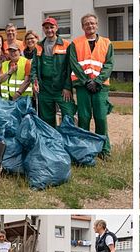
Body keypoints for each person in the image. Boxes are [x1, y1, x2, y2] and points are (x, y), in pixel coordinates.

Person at [69, 13, 114, 156]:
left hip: (100, 87)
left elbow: (109, 64)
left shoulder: (107, 43)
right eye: (87, 23)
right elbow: (74, 64)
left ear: (97, 25)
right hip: (83, 87)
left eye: (92, 23)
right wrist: (86, 81)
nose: (90, 25)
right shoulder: (75, 43)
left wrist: (97, 81)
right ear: (82, 27)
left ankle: (104, 150)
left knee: (101, 117)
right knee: (84, 117)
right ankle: (84, 149)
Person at [31, 17, 75, 128]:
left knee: (68, 114)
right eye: (46, 28)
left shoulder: (66, 45)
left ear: (56, 28)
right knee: (46, 118)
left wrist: (67, 87)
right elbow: (34, 67)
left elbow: (70, 68)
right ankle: (51, 140)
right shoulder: (39, 46)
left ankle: (67, 140)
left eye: (51, 27)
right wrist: (34, 81)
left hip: (62, 88)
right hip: (45, 87)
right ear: (43, 29)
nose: (49, 30)